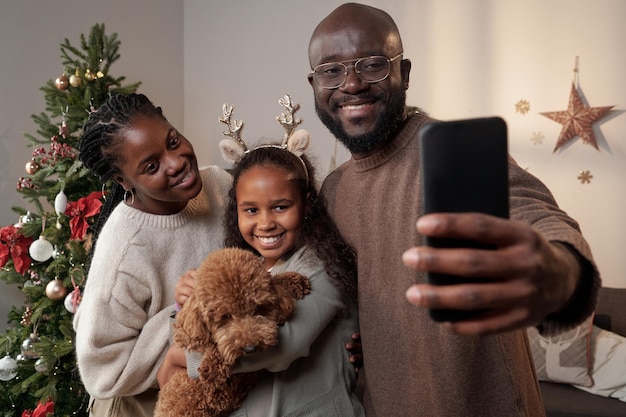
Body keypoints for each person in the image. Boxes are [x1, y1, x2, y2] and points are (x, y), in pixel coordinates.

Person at [307, 3, 601, 417]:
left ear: (404, 73)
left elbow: (539, 217)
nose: (351, 83)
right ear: (314, 84)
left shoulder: (454, 156)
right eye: (331, 70)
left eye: (372, 64)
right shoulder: (333, 190)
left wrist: (560, 271)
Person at [162, 138, 365, 416]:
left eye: (280, 207)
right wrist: (184, 304)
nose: (266, 223)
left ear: (306, 205)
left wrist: (182, 358)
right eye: (251, 210)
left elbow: (285, 345)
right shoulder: (248, 271)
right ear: (237, 212)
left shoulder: (322, 266)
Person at [73, 93, 232, 416]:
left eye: (173, 141)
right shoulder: (125, 249)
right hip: (138, 403)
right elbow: (102, 372)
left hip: (206, 381)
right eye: (151, 166)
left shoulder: (219, 185)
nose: (176, 163)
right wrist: (180, 311)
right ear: (123, 180)